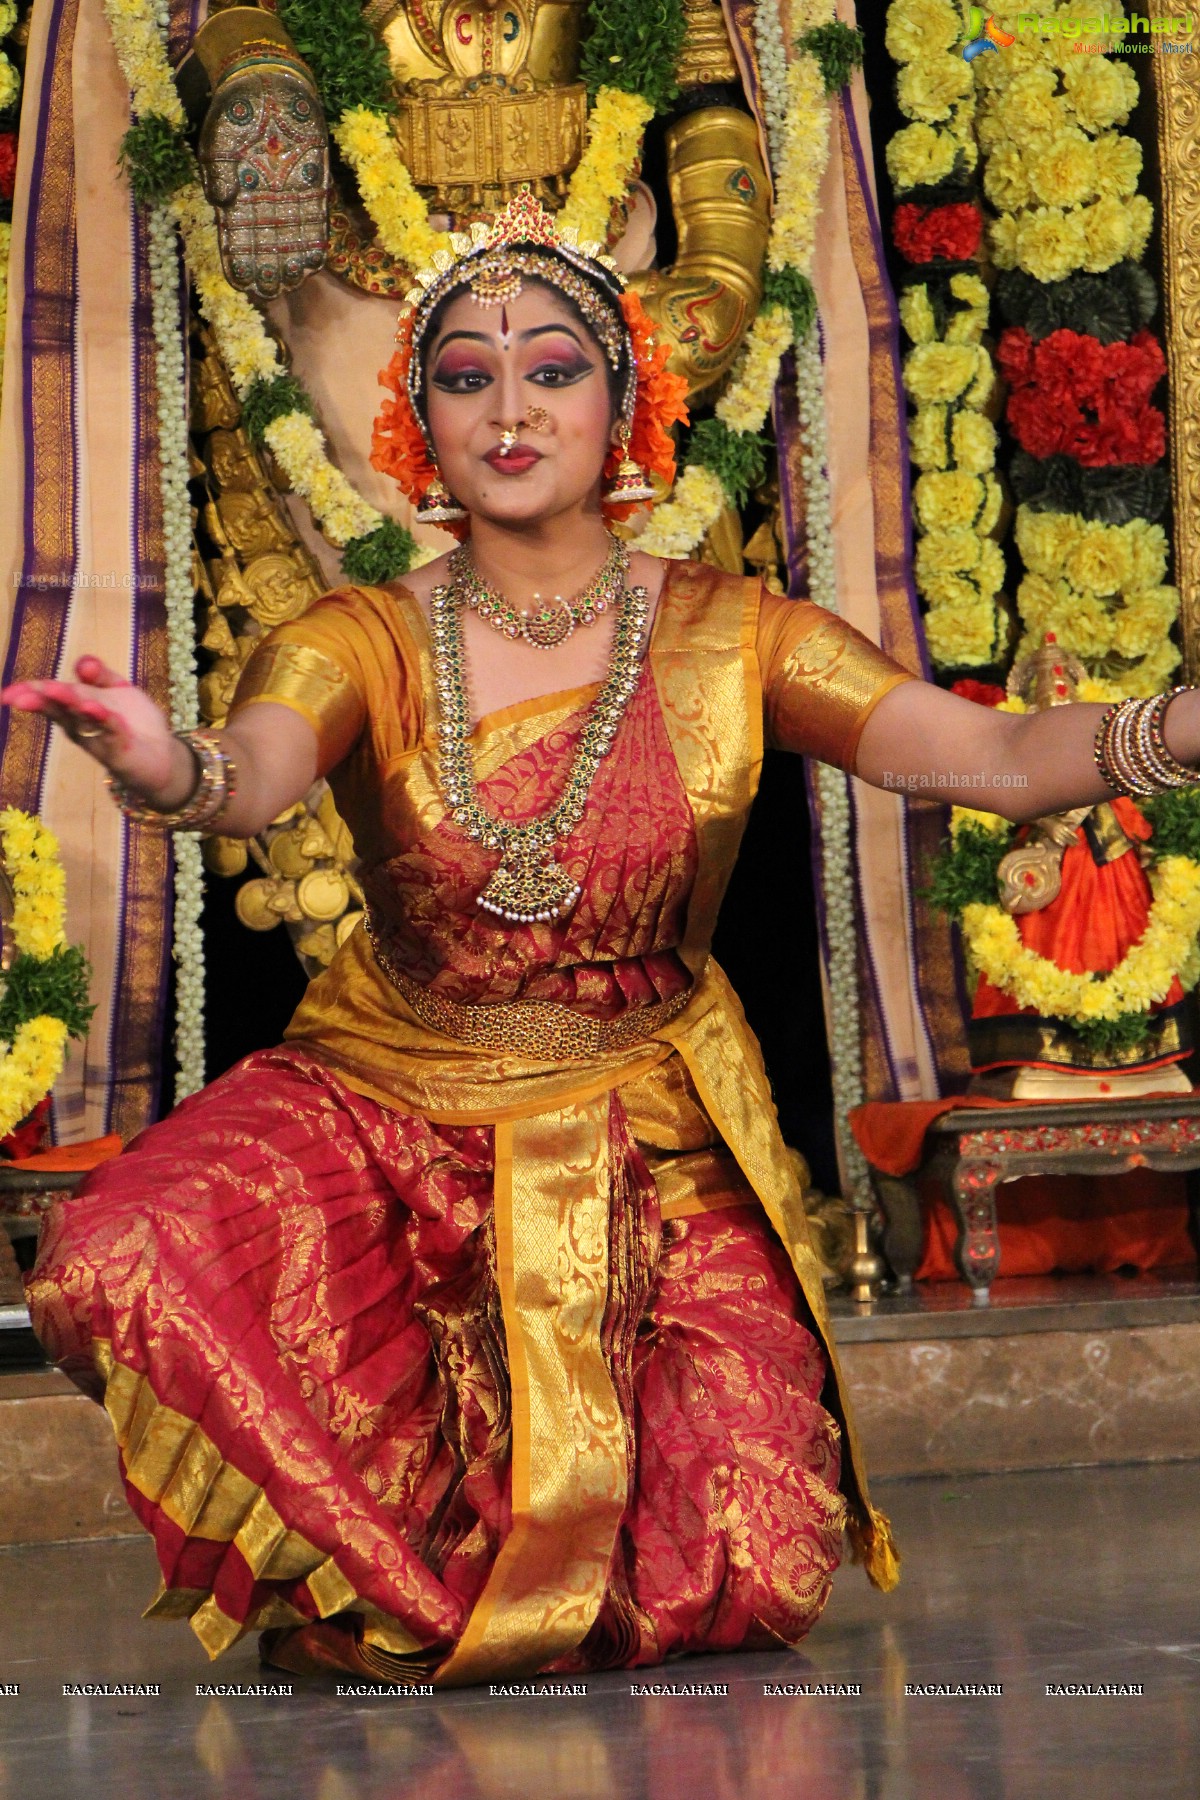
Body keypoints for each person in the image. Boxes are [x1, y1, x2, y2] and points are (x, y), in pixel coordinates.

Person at [6, 195, 1200, 1688]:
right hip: (394, 1101)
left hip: (648, 1133)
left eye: (553, 368)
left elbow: (997, 758)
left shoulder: (735, 632)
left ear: (624, 402)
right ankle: (407, 1569)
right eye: (464, 376)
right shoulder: (354, 636)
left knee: (744, 1566)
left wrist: (1177, 731)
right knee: (115, 1248)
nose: (510, 410)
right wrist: (159, 764)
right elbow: (251, 771)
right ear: (416, 419)